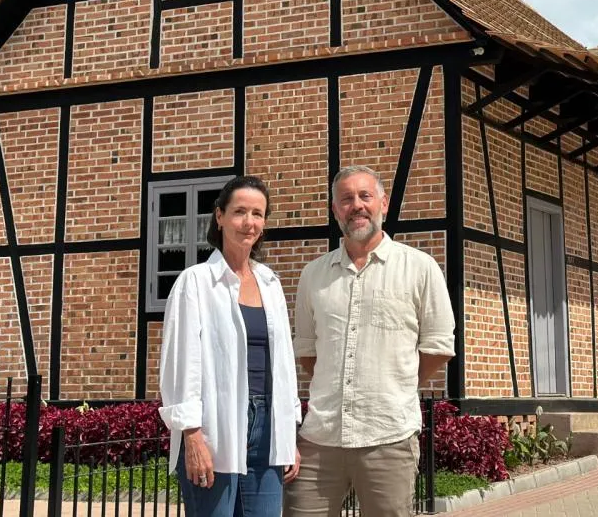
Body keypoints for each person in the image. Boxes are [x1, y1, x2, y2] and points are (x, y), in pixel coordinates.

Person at [286, 165, 456, 517]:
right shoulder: (312, 274)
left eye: (365, 196)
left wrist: (393, 385)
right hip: (321, 437)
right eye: (346, 199)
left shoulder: (420, 268)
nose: (357, 206)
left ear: (384, 203)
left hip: (388, 436)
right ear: (335, 210)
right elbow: (308, 351)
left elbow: (438, 347)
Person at [159, 175, 301, 517]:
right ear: (219, 216)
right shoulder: (195, 282)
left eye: (257, 214)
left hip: (268, 428)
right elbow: (181, 362)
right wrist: (192, 435)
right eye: (239, 211)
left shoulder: (271, 284)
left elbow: (283, 365)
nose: (248, 222)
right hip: (214, 426)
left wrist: (288, 436)